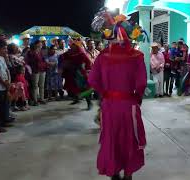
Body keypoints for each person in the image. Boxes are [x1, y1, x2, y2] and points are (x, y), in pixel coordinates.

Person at [89, 9, 148, 179]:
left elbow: (93, 80)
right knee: (129, 138)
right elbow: (142, 83)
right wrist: (137, 98)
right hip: (129, 105)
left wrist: (104, 95)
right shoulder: (137, 56)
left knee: (111, 138)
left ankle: (114, 172)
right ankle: (128, 174)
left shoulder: (103, 56)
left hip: (109, 105)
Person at [61, 39, 93, 110]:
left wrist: (88, 70)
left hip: (80, 73)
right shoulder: (69, 53)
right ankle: (76, 99)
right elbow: (63, 57)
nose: (72, 46)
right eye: (72, 45)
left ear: (77, 46)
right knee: (73, 87)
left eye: (74, 45)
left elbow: (88, 62)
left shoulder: (81, 53)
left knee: (83, 88)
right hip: (71, 72)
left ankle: (89, 103)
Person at [0, 39, 11, 133]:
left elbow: (6, 70)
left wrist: (8, 82)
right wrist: (4, 83)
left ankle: (3, 122)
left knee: (4, 105)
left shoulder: (2, 58)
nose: (5, 50)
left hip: (4, 86)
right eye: (4, 48)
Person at [25, 40, 47, 106]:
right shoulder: (30, 53)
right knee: (35, 86)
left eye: (41, 44)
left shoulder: (40, 52)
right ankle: (35, 100)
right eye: (39, 45)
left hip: (42, 70)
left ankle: (41, 99)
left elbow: (43, 60)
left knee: (41, 85)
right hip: (35, 71)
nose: (40, 46)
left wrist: (44, 65)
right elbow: (29, 62)